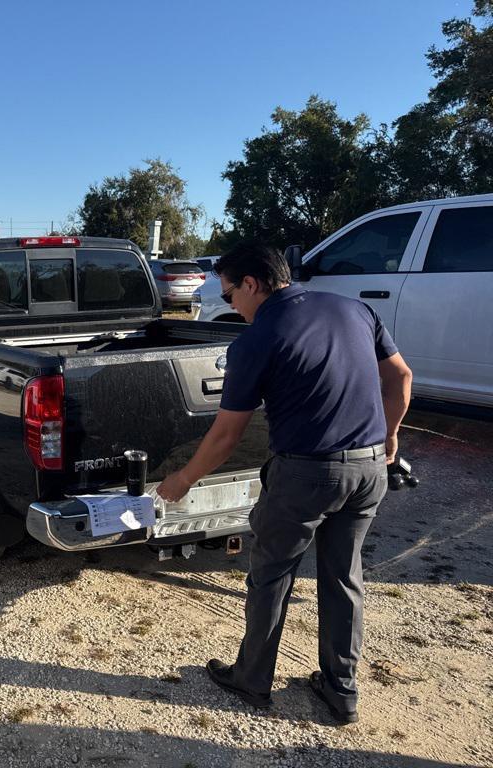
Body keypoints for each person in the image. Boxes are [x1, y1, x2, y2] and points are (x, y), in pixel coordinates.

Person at [156, 241, 413, 724]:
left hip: (306, 474)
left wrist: (183, 479)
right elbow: (400, 377)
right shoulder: (353, 309)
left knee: (272, 574)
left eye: (230, 294)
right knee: (344, 576)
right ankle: (341, 690)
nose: (231, 305)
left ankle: (251, 680)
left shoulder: (256, 339)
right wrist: (391, 438)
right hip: (368, 467)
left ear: (251, 284)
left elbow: (227, 433)